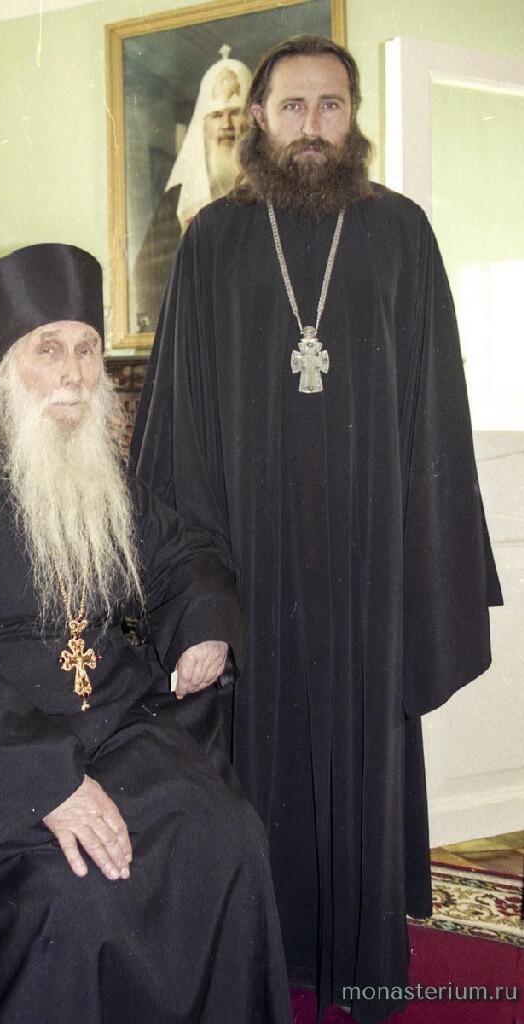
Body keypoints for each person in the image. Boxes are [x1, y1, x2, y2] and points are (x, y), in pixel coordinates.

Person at [131, 34, 502, 1024]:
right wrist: (200, 591)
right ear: (257, 118)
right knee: (255, 757)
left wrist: (430, 564)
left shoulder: (401, 232)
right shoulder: (212, 243)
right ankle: (265, 950)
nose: (312, 126)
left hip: (369, 562)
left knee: (362, 752)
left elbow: (436, 411)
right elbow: (180, 428)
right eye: (292, 106)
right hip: (251, 558)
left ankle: (360, 959)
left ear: (354, 117)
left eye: (330, 106)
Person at [0, 244, 292, 1024]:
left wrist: (202, 628)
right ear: (2, 366)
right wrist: (44, 786)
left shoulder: (101, 474)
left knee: (230, 838)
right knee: (72, 896)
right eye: (47, 350)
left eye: (87, 349)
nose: (75, 373)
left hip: (114, 728)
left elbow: (183, 554)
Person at [132, 46, 251, 332]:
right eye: (216, 115)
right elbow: (148, 279)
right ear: (203, 126)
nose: (226, 125)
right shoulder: (177, 199)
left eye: (235, 113)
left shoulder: (273, 192)